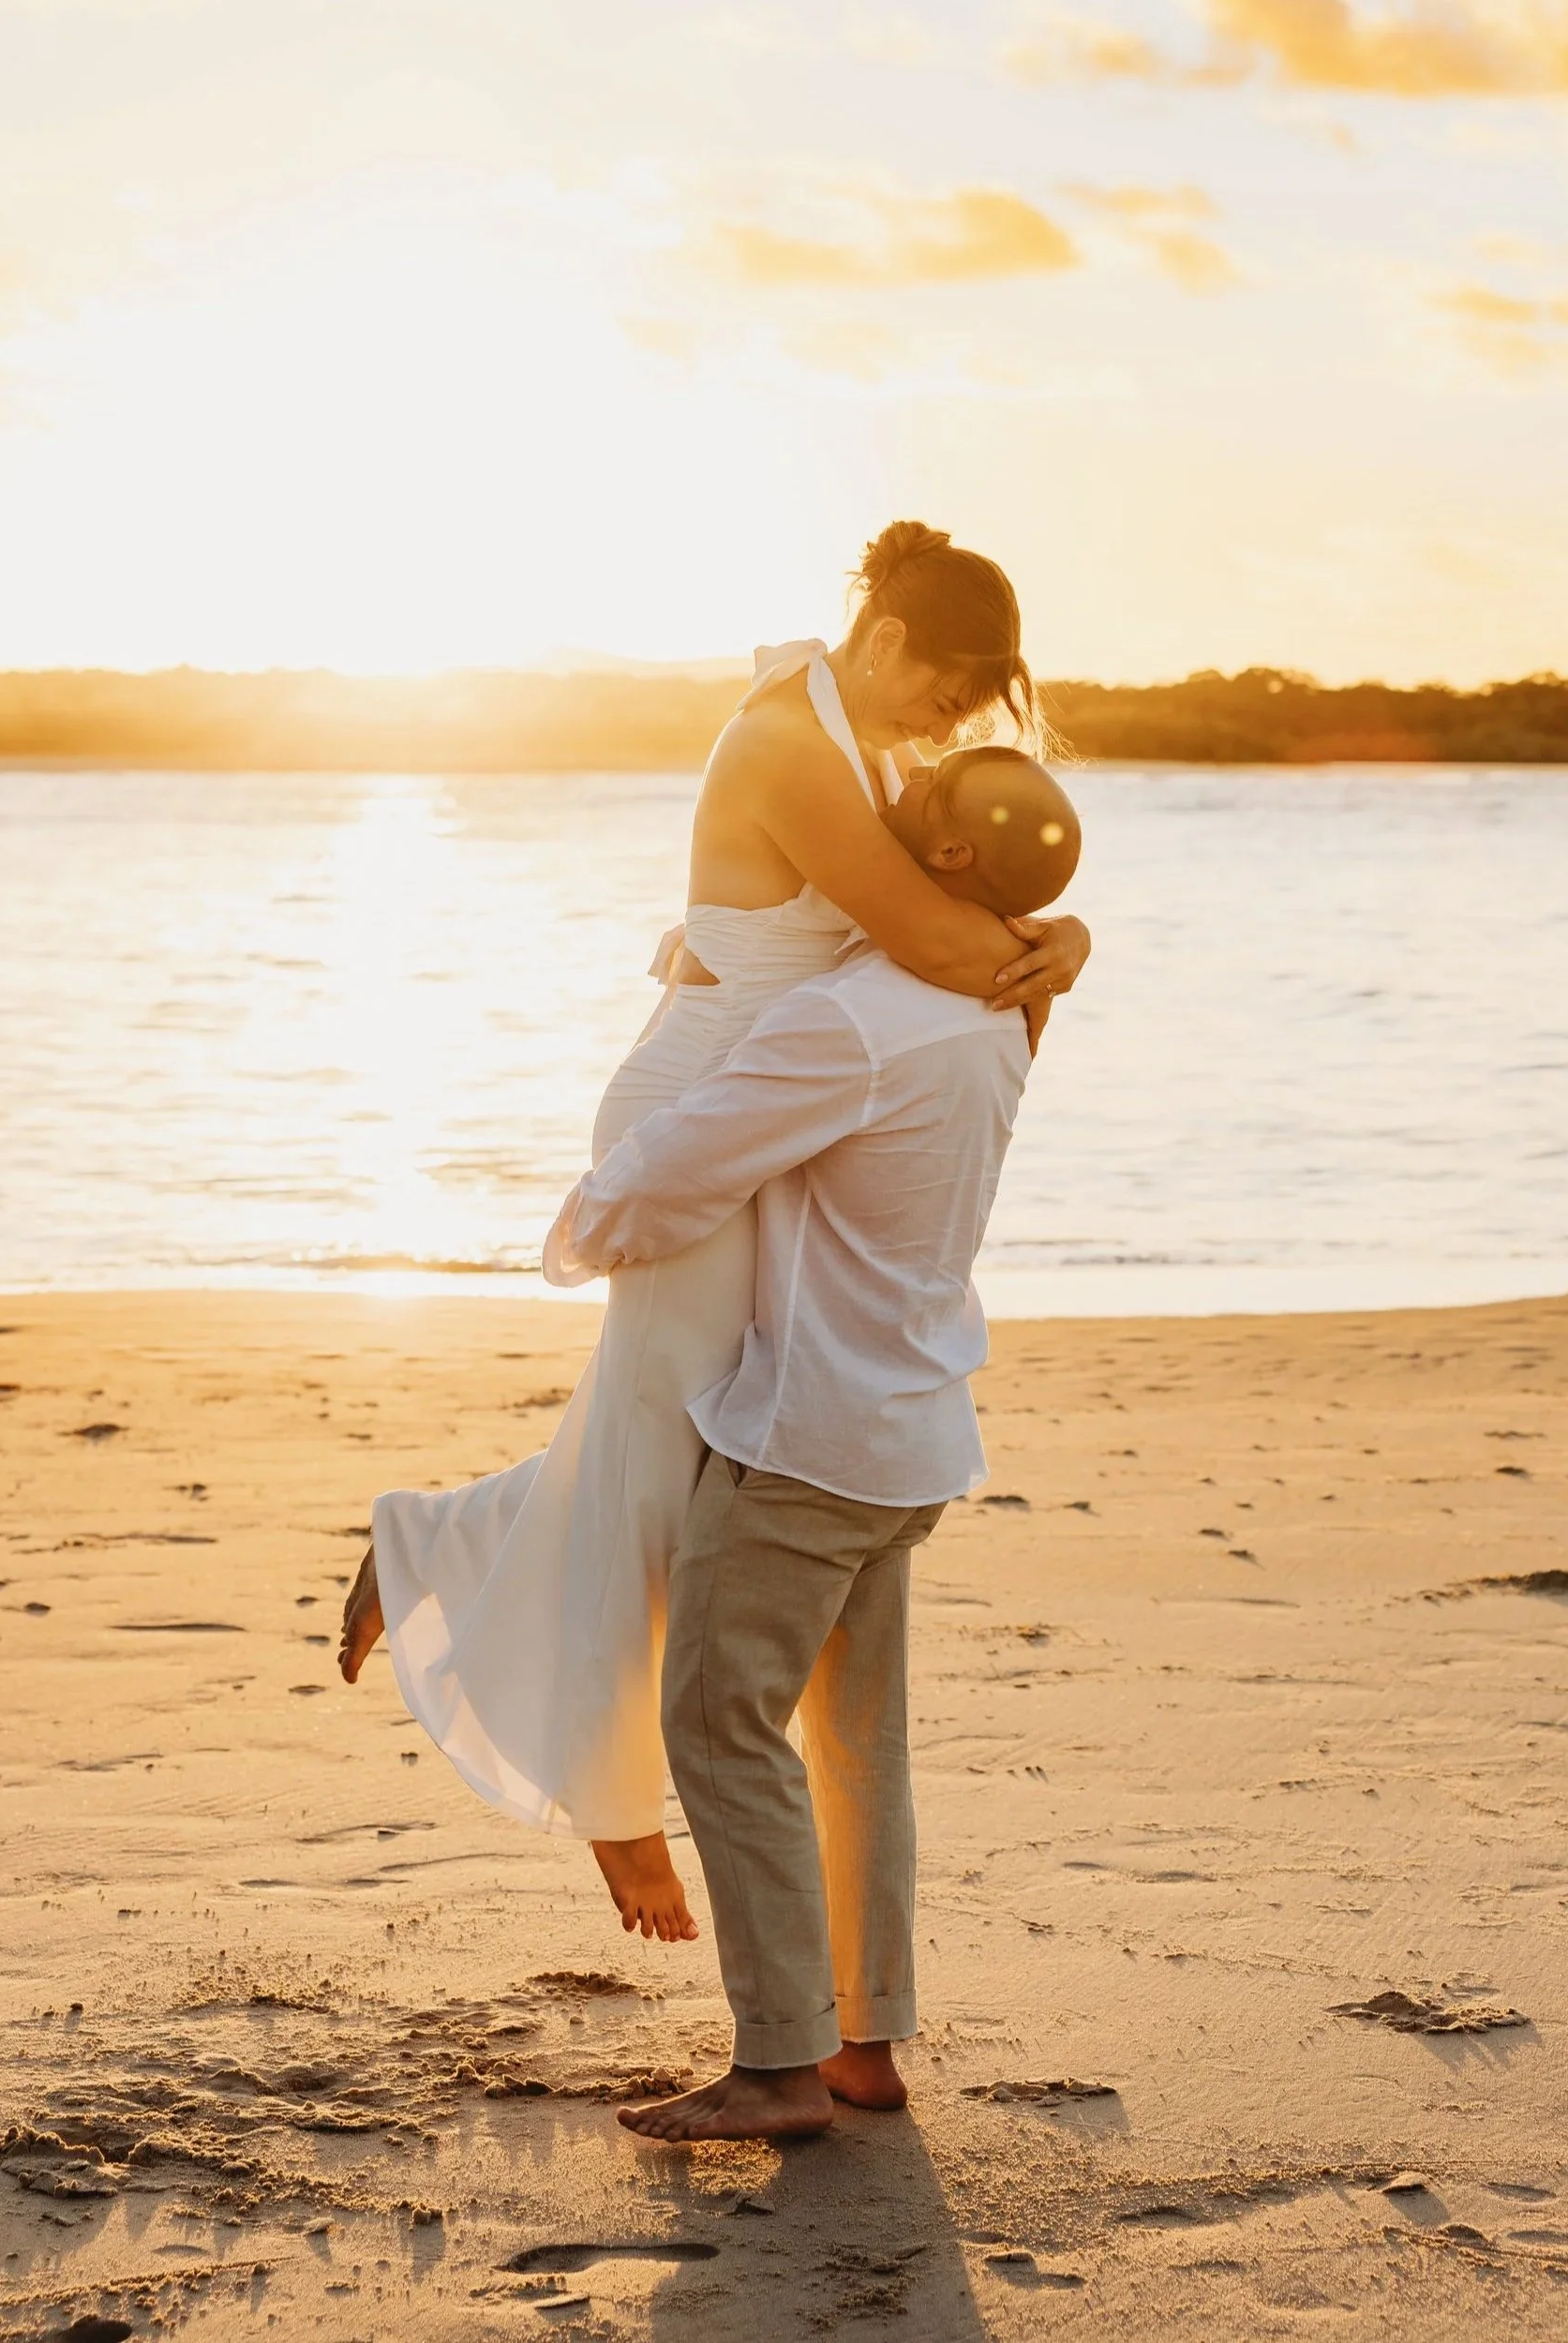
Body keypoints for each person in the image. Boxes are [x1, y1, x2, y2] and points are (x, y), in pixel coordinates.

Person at [337, 524, 1090, 1946]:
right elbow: (932, 944)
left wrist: (1069, 937)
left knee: (674, 1443)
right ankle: (614, 1807)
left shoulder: (866, 743)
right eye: (950, 686)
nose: (956, 721)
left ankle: (431, 1543)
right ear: (884, 644)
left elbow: (943, 919)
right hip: (704, 1110)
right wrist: (1059, 949)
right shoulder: (789, 744)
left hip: (782, 1109)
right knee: (657, 1458)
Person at [535, 751, 1082, 2142]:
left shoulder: (853, 1020)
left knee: (719, 1723)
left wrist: (579, 1235)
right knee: (855, 1744)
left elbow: (678, 1165)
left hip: (812, 1440)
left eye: (933, 798)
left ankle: (779, 2064)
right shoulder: (1001, 1010)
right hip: (912, 1430)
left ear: (952, 867)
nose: (895, 796)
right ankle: (864, 2041)